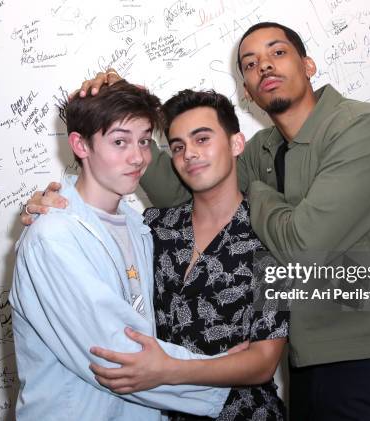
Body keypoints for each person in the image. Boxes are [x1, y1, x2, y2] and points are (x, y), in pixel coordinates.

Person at [25, 21, 370, 421]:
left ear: (308, 65)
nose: (265, 66)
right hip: (309, 363)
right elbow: (187, 184)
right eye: (251, 63)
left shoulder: (361, 128)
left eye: (278, 53)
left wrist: (254, 190)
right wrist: (76, 196)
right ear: (248, 90)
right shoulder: (265, 150)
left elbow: (304, 244)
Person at [10, 81, 232, 420]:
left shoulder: (140, 226)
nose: (138, 157)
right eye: (119, 141)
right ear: (80, 145)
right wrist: (230, 373)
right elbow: (118, 357)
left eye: (144, 141)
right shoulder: (53, 237)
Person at [90, 89, 288, 421]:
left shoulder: (268, 235)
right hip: (157, 411)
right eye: (179, 146)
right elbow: (89, 224)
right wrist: (52, 203)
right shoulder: (153, 228)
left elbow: (263, 361)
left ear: (236, 144)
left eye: (202, 139)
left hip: (244, 413)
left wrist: (169, 369)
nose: (189, 154)